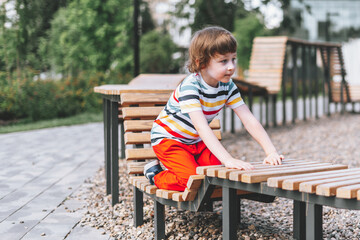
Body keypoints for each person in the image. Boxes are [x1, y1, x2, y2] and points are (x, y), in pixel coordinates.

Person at [144, 26, 284, 191]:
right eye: (224, 61)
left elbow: (249, 119)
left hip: (196, 142)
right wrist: (228, 159)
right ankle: (156, 174)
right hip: (170, 140)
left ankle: (186, 164)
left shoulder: (228, 86)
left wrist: (271, 151)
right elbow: (201, 127)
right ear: (201, 63)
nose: (231, 66)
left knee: (217, 175)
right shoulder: (191, 86)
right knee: (191, 180)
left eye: (233, 59)